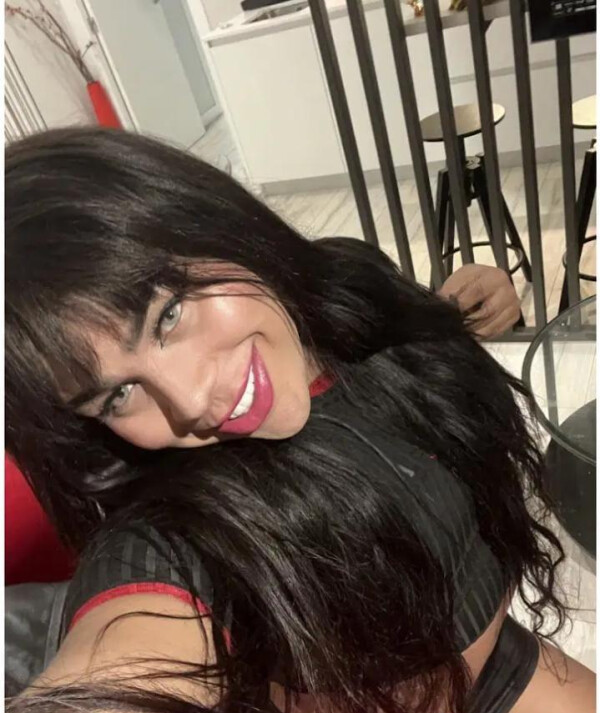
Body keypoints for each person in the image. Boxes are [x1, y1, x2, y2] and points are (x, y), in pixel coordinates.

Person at [5, 128, 594, 713]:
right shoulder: (169, 531)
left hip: (505, 669)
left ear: (213, 224)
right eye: (117, 396)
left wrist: (456, 309)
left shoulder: (351, 283)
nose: (190, 401)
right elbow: (127, 653)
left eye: (168, 315)